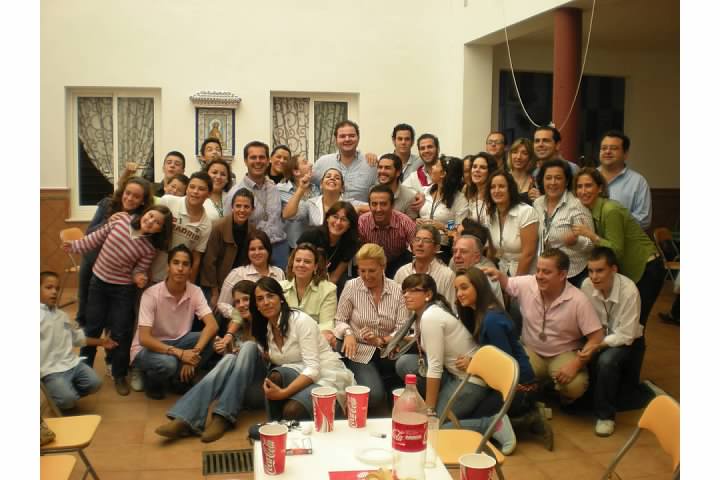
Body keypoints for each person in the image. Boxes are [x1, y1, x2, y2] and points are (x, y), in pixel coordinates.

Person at [63, 204, 174, 395]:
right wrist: (74, 246)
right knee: (92, 328)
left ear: (160, 229)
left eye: (157, 222)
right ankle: (84, 370)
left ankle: (119, 374)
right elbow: (93, 240)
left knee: (121, 332)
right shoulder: (121, 222)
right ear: (144, 213)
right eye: (150, 216)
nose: (151, 221)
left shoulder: (149, 249)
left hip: (122, 290)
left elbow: (138, 270)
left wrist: (139, 277)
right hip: (98, 283)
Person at [483, 249, 604, 405]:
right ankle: (540, 389)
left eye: (546, 272)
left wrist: (576, 364)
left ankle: (557, 396)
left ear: (562, 275)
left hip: (563, 354)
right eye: (538, 270)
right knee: (510, 375)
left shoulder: (578, 300)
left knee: (575, 386)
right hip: (531, 351)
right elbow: (507, 282)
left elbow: (597, 337)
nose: (539, 276)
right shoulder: (527, 283)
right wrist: (496, 274)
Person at [155, 280, 265, 442]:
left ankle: (224, 417)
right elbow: (233, 365)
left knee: (249, 347)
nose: (241, 305)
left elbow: (274, 358)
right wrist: (225, 348)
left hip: (260, 388)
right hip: (237, 391)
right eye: (237, 301)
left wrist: (249, 347)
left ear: (255, 300)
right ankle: (186, 419)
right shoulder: (236, 325)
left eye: (246, 299)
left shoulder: (266, 322)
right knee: (229, 358)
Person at [454, 267, 538, 454]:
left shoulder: (492, 319)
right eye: (457, 289)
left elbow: (503, 367)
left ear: (479, 287)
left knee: (470, 417)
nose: (459, 294)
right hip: (505, 386)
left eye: (464, 288)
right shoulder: (479, 313)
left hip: (519, 389)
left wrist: (473, 364)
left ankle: (512, 425)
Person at [252, 277, 355, 420]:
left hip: (324, 373)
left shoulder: (300, 320)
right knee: (274, 377)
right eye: (260, 299)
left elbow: (313, 369)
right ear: (257, 306)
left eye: (270, 296)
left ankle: (330, 413)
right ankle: (274, 425)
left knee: (292, 410)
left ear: (281, 298)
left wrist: (283, 393)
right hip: (298, 371)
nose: (266, 302)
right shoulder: (265, 328)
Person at [572, 168, 664, 326]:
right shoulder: (589, 211)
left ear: (600, 188)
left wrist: (591, 235)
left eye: (588, 185)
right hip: (633, 270)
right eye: (579, 186)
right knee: (624, 324)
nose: (583, 191)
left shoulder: (610, 210)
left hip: (647, 268)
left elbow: (616, 250)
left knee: (635, 326)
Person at [130, 245, 219, 399]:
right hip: (147, 348)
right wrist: (181, 354)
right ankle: (152, 379)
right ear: (168, 267)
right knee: (169, 363)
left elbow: (212, 325)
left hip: (178, 341)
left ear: (190, 269)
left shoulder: (195, 291)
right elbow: (144, 338)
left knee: (212, 339)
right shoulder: (151, 294)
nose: (180, 268)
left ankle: (177, 377)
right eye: (176, 263)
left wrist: (192, 356)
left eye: (185, 264)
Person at [395, 274, 487, 420]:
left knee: (434, 424)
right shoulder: (427, 312)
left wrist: (429, 410)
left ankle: (492, 424)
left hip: (470, 380)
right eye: (404, 291)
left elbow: (435, 366)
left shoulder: (431, 317)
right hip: (452, 374)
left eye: (413, 290)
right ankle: (439, 398)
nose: (406, 295)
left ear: (428, 294)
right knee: (405, 363)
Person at [579, 247, 644, 437]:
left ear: (614, 269)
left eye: (600, 270)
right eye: (590, 271)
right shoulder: (586, 285)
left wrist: (596, 345)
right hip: (596, 336)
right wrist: (590, 343)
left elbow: (626, 334)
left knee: (606, 361)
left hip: (625, 341)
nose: (594, 277)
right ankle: (581, 400)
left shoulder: (629, 291)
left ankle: (605, 416)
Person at [334, 244, 408, 411]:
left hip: (389, 351)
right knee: (373, 395)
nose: (366, 276)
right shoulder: (351, 286)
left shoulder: (397, 290)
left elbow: (402, 328)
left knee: (401, 394)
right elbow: (339, 320)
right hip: (360, 351)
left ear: (383, 267)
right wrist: (348, 333)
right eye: (362, 270)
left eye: (372, 271)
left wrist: (381, 340)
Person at [76, 176, 154, 328]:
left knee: (111, 315)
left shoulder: (142, 218)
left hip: (117, 274)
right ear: (123, 191)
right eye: (127, 193)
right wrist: (109, 222)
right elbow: (89, 233)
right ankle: (84, 334)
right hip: (92, 259)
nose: (130, 198)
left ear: (143, 201)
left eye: (136, 196)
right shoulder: (107, 204)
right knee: (85, 301)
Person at [41, 271, 112, 410]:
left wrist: (102, 342)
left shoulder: (63, 316)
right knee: (68, 400)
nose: (54, 292)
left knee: (95, 383)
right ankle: (62, 397)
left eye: (57, 288)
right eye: (49, 287)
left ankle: (64, 395)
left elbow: (78, 339)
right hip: (50, 371)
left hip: (72, 364)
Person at [224, 141, 288, 268]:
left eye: (262, 157)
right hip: (254, 252)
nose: (258, 161)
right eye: (253, 157)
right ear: (245, 161)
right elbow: (229, 229)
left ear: (268, 160)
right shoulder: (235, 193)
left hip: (279, 248)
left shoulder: (273, 188)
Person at [533, 159, 594, 287]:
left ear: (566, 181)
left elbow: (591, 244)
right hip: (547, 271)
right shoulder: (537, 203)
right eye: (548, 178)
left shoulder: (577, 205)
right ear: (542, 181)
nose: (553, 182)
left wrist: (576, 241)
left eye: (558, 178)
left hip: (573, 273)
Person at [199, 188, 255, 311]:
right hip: (215, 285)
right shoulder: (218, 227)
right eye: (238, 206)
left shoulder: (253, 230)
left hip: (239, 284)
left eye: (246, 207)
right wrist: (214, 293)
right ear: (232, 207)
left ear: (252, 209)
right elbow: (209, 262)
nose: (242, 210)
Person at [153, 172, 214, 284]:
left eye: (201, 189)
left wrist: (190, 284)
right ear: (187, 189)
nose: (195, 191)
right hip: (151, 272)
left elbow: (196, 257)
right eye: (192, 187)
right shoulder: (168, 202)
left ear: (209, 194)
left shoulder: (206, 224)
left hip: (177, 280)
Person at [297, 201, 360, 293]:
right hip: (303, 276)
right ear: (327, 218)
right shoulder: (310, 236)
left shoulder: (351, 243)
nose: (338, 222)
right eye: (335, 217)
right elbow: (296, 266)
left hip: (328, 279)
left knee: (345, 283)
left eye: (344, 219)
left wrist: (321, 294)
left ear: (350, 225)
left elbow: (335, 277)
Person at [486, 170, 539, 276]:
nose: (496, 190)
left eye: (501, 186)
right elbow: (492, 251)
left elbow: (528, 254)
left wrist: (514, 283)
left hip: (525, 275)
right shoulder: (492, 214)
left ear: (510, 189)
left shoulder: (526, 212)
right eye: (493, 187)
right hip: (503, 273)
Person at [216, 230, 286, 310]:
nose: (257, 253)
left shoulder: (279, 272)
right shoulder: (237, 273)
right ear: (247, 252)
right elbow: (222, 304)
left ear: (268, 250)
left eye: (261, 248)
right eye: (252, 249)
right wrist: (239, 315)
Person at [280, 243, 337, 340]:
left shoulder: (329, 290)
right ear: (292, 264)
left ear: (315, 267)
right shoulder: (280, 288)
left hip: (315, 342)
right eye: (298, 260)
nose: (301, 264)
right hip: (285, 340)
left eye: (307, 261)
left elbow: (326, 326)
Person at [597, 130, 652, 230]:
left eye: (614, 148)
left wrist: (614, 223)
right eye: (604, 148)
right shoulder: (588, 177)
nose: (607, 151)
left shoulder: (638, 182)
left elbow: (644, 219)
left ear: (625, 154)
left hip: (624, 238)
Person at [358, 184, 416, 278]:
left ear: (392, 205)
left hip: (398, 262)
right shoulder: (362, 222)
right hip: (371, 263)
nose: (378, 209)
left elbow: (416, 251)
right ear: (369, 205)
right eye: (374, 204)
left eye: (383, 204)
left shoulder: (405, 223)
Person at [311, 120, 376, 204]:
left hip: (360, 212)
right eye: (342, 136)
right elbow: (306, 184)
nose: (347, 139)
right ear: (336, 140)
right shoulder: (323, 162)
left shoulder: (370, 164)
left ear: (358, 138)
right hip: (329, 212)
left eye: (351, 136)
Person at [418, 155, 468, 262]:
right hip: (419, 242)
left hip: (442, 247)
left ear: (443, 174)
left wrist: (443, 226)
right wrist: (416, 221)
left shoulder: (459, 199)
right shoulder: (425, 191)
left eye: (436, 165)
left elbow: (459, 226)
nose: (432, 167)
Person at [394, 224, 456, 306]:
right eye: (417, 239)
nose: (420, 244)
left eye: (426, 241)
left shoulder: (447, 275)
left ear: (437, 248)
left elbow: (451, 308)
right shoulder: (402, 272)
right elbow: (395, 304)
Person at [277, 154, 320, 249]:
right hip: (293, 246)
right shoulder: (282, 189)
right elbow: (287, 214)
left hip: (315, 245)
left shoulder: (316, 188)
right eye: (305, 162)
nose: (311, 164)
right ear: (296, 172)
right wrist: (301, 189)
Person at [451, 234, 504, 308]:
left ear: (477, 257)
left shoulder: (484, 276)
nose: (457, 256)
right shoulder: (462, 271)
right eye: (455, 251)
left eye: (463, 252)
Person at [376, 153, 421, 219]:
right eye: (380, 167)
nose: (382, 171)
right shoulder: (372, 191)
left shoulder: (409, 197)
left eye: (387, 168)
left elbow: (411, 223)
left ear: (398, 172)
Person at [464, 152, 498, 225]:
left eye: (482, 167)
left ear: (490, 172)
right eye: (474, 166)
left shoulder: (496, 195)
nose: (477, 170)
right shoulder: (469, 193)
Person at [507, 138, 539, 204]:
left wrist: (540, 200)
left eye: (524, 153)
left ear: (530, 157)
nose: (518, 157)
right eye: (515, 152)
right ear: (510, 155)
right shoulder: (502, 178)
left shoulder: (536, 181)